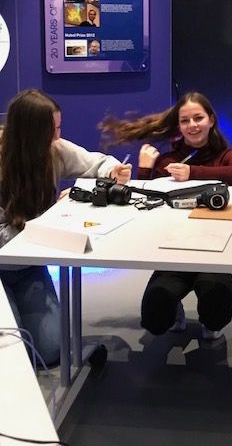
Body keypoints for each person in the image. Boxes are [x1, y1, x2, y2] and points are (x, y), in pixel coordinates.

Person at [100, 91, 232, 340]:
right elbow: (144, 201)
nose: (192, 125)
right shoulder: (169, 160)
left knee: (216, 312)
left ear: (211, 120)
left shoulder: (225, 155)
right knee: (155, 317)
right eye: (185, 120)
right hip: (173, 252)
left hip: (214, 252)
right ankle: (174, 307)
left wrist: (192, 172)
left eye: (198, 118)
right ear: (179, 126)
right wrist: (145, 169)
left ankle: (209, 318)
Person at [0, 89, 132, 366]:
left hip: (28, 267)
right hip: (6, 261)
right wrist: (51, 216)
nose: (58, 137)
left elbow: (97, 162)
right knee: (13, 353)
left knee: (50, 350)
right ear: (31, 132)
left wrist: (113, 171)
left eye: (58, 128)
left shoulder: (54, 149)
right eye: (52, 130)